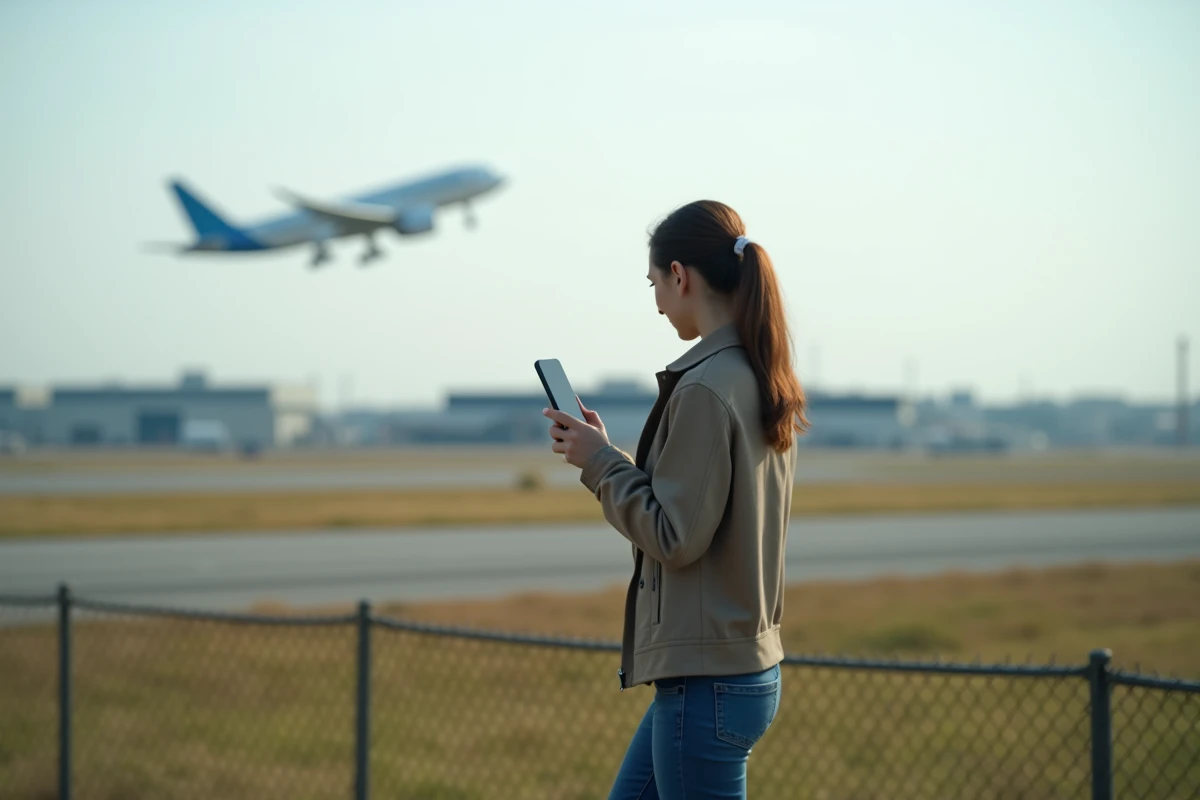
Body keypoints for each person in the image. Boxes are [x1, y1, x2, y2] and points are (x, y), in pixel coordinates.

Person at [542, 200, 809, 799]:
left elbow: (674, 536)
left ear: (681, 276)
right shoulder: (756, 374)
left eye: (655, 283)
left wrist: (598, 463)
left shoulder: (706, 388)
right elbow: (694, 510)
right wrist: (607, 454)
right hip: (737, 670)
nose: (658, 301)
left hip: (707, 682)